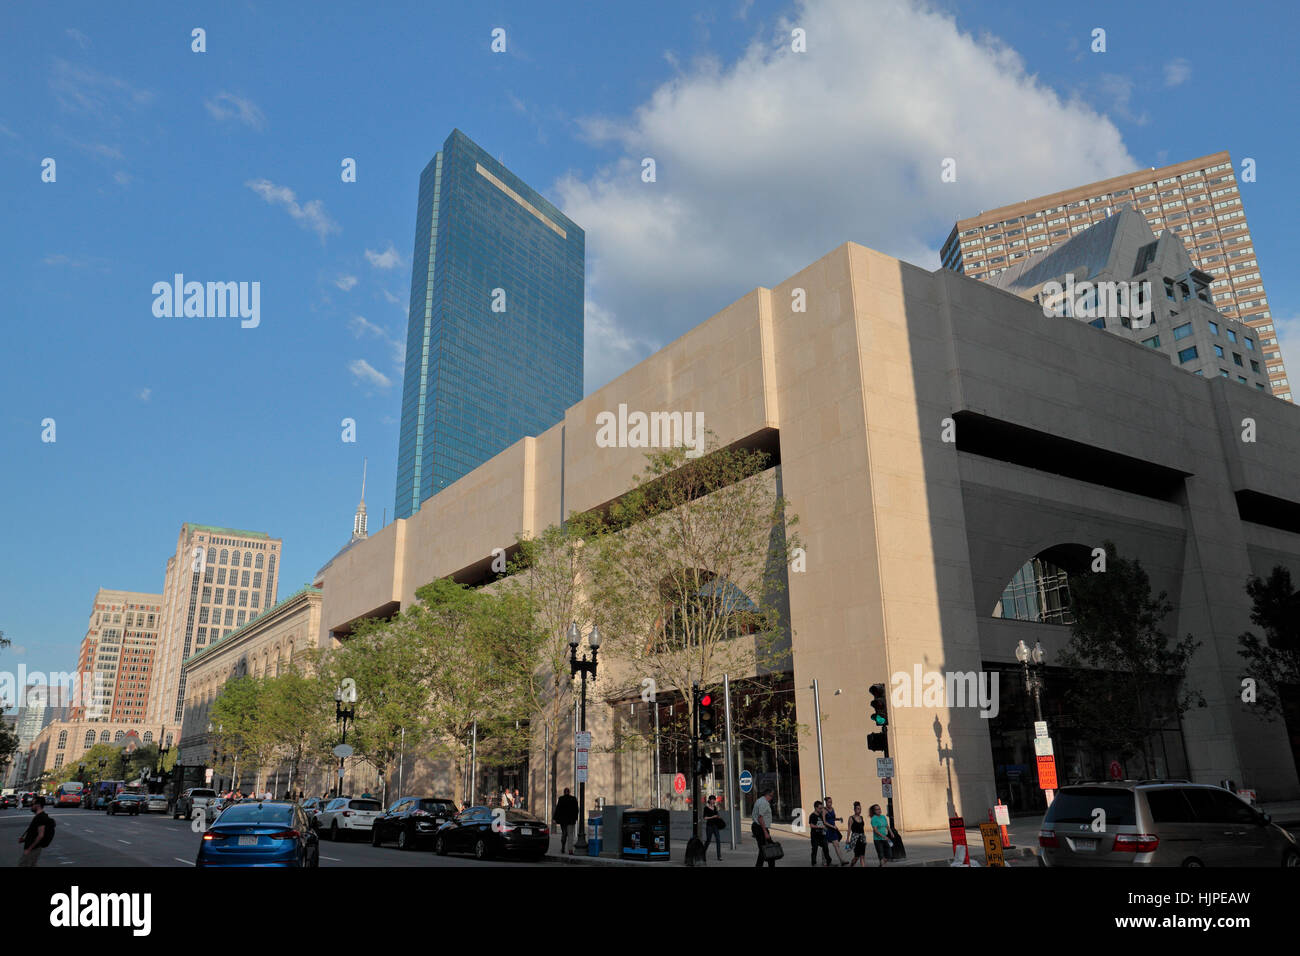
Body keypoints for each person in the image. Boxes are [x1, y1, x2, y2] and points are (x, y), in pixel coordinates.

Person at [18, 796, 52, 867]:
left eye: (32, 804)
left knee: (23, 864)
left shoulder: (41, 817)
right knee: (32, 864)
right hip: (33, 848)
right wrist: (25, 839)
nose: (31, 806)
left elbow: (40, 835)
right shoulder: (39, 816)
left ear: (38, 805)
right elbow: (34, 833)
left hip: (33, 849)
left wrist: (29, 849)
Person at [751, 786, 777, 867]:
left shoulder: (759, 800)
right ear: (767, 795)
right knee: (768, 848)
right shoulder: (764, 803)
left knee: (765, 849)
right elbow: (760, 817)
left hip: (757, 827)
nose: (772, 798)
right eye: (771, 796)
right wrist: (765, 832)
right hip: (761, 828)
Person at [822, 796, 849, 865]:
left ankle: (842, 860)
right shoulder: (824, 810)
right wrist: (832, 826)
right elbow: (824, 822)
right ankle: (824, 861)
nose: (830, 803)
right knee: (825, 846)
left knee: (837, 845)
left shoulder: (832, 809)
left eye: (831, 802)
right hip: (827, 830)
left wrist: (838, 819)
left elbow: (833, 818)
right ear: (826, 803)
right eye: (829, 802)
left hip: (833, 829)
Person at [554, 787, 579, 855]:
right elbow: (576, 809)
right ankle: (570, 850)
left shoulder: (561, 799)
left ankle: (563, 847)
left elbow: (558, 809)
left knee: (564, 834)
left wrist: (555, 819)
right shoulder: (573, 799)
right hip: (571, 820)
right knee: (570, 835)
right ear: (569, 792)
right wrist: (576, 818)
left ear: (564, 792)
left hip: (563, 821)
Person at [808, 800, 831, 866]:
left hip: (822, 835)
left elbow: (824, 823)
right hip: (815, 836)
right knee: (815, 850)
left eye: (821, 808)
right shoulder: (812, 816)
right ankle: (814, 863)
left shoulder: (821, 815)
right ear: (815, 808)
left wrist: (825, 828)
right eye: (820, 808)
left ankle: (828, 861)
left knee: (826, 848)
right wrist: (820, 827)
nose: (821, 809)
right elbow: (811, 825)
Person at [702, 794, 725, 861]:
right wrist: (712, 817)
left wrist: (718, 817)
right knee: (708, 841)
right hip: (709, 826)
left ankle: (719, 856)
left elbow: (716, 815)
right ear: (709, 800)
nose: (713, 801)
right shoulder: (706, 808)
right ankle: (702, 853)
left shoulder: (715, 807)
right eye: (712, 799)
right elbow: (705, 817)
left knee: (718, 840)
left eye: (714, 799)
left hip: (715, 826)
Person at [847, 802, 868, 866]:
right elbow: (849, 829)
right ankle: (852, 864)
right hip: (855, 839)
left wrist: (864, 838)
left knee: (862, 856)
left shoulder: (861, 817)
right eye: (858, 809)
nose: (859, 810)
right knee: (857, 856)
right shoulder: (851, 818)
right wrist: (847, 839)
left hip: (862, 838)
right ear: (855, 810)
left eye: (860, 809)